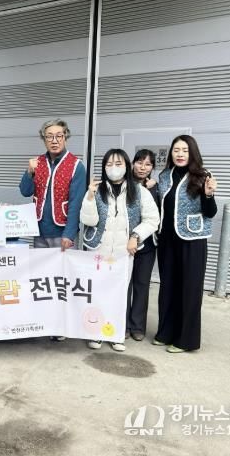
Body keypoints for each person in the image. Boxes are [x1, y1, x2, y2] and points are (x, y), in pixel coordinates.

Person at [80, 149, 159, 352]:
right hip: (99, 249)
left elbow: (152, 219)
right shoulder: (97, 189)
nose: (114, 168)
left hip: (124, 252)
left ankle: (116, 334)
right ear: (104, 167)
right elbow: (89, 220)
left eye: (118, 164)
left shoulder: (139, 191)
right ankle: (96, 333)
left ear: (126, 166)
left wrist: (136, 236)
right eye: (109, 164)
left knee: (119, 292)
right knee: (98, 291)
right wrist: (90, 196)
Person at [19, 119, 86, 342]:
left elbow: (76, 202)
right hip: (40, 230)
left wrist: (69, 234)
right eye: (49, 136)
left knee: (61, 280)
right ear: (44, 139)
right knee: (42, 278)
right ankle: (44, 321)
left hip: (61, 231)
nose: (54, 140)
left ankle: (61, 325)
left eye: (59, 135)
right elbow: (25, 191)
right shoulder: (37, 163)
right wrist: (29, 172)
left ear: (66, 137)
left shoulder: (76, 165)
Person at [154, 135, 217, 353]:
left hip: (192, 240)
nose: (180, 154)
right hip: (167, 240)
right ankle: (165, 333)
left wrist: (208, 195)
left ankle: (185, 340)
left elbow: (211, 212)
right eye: (176, 150)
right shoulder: (164, 176)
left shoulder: (203, 176)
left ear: (192, 153)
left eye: (185, 150)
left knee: (189, 288)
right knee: (168, 286)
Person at [127, 149, 159, 342]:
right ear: (132, 164)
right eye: (139, 162)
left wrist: (151, 190)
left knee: (141, 284)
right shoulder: (123, 183)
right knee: (124, 284)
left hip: (147, 245)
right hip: (124, 243)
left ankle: (137, 326)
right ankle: (122, 324)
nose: (142, 167)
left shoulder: (156, 187)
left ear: (152, 167)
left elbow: (157, 215)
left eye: (148, 164)